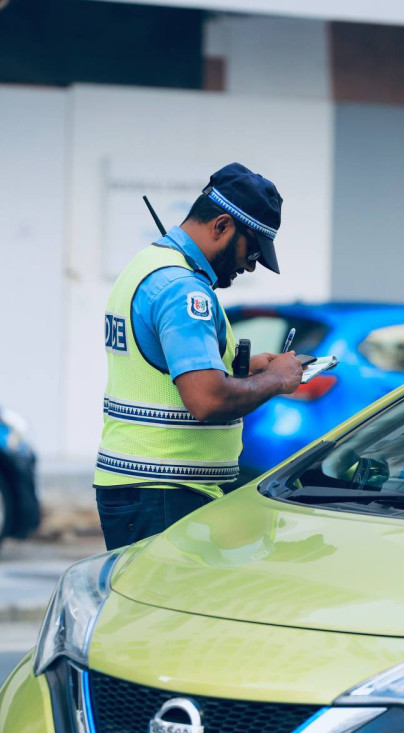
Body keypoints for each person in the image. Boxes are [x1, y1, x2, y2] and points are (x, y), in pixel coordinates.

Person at [94, 163, 303, 550]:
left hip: (145, 487)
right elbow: (206, 399)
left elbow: (158, 363)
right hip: (165, 491)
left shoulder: (150, 265)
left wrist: (243, 367)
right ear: (222, 226)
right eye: (253, 249)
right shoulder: (183, 291)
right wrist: (278, 379)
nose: (251, 264)